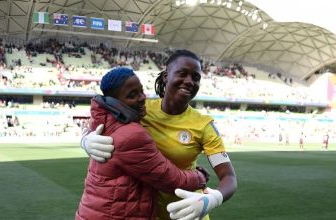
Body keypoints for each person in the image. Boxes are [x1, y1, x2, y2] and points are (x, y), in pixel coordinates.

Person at [82, 50, 237, 220]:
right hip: (148, 214)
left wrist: (213, 199)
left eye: (196, 77)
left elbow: (229, 177)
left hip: (189, 214)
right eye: (182, 73)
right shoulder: (141, 109)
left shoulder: (204, 124)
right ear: (165, 76)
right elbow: (106, 119)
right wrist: (86, 139)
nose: (189, 81)